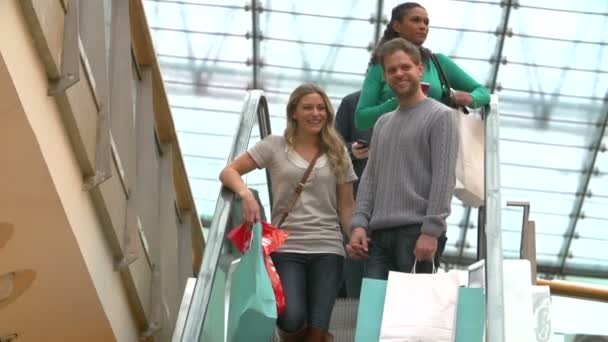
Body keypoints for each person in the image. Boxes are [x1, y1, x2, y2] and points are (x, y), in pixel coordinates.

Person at [220, 83, 357, 342]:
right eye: (307, 107)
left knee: (317, 329)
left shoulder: (338, 151)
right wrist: (246, 195)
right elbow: (229, 172)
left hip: (329, 248)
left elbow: (347, 205)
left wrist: (356, 234)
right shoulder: (274, 145)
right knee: (291, 318)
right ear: (293, 112)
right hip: (287, 246)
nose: (315, 113)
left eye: (321, 108)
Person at [348, 38, 458, 279]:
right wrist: (359, 224)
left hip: (417, 233)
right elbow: (370, 179)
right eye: (392, 70)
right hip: (378, 238)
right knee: (374, 313)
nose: (399, 74)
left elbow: (444, 178)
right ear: (385, 77)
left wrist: (431, 231)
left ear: (420, 69)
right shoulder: (383, 123)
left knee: (413, 315)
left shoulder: (442, 116)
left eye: (405, 67)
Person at [355, 2, 491, 130]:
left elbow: (483, 92)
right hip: (393, 142)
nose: (423, 26)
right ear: (397, 26)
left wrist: (471, 98)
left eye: (426, 22)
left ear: (420, 69)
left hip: (436, 141)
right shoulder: (380, 65)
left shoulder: (438, 62)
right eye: (415, 20)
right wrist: (400, 102)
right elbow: (361, 119)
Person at [334, 91, 372, 298]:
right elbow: (331, 146)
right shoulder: (352, 102)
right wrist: (351, 150)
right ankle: (355, 311)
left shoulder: (410, 104)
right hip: (355, 200)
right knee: (355, 261)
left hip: (393, 205)